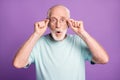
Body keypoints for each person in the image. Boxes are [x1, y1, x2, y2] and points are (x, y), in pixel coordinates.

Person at [13, 5, 109, 80]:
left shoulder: (78, 41)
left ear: (68, 23)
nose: (58, 25)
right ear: (48, 23)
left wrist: (83, 33)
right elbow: (18, 63)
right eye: (53, 20)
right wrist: (36, 34)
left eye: (62, 20)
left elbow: (103, 59)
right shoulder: (38, 43)